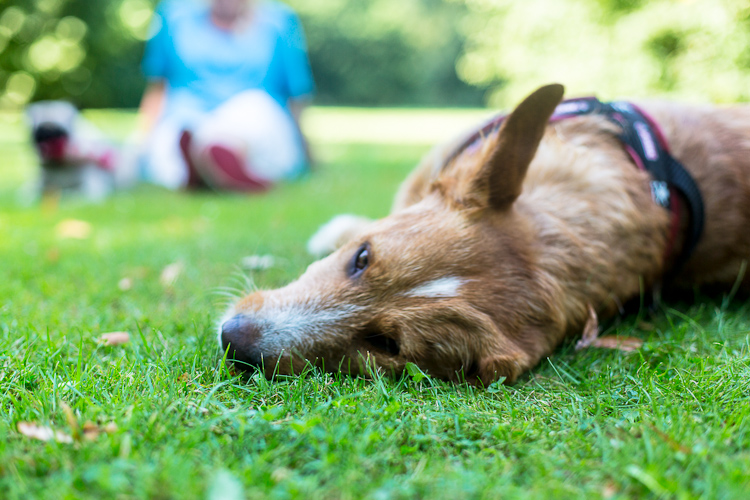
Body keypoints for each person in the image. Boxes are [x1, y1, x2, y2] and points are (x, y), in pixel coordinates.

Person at [137, 0, 315, 191]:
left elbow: (296, 96)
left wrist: (306, 150)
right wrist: (140, 145)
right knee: (173, 139)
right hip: (187, 116)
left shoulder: (280, 20)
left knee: (255, 111)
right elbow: (158, 88)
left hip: (255, 118)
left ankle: (208, 160)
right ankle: (211, 163)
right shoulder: (173, 14)